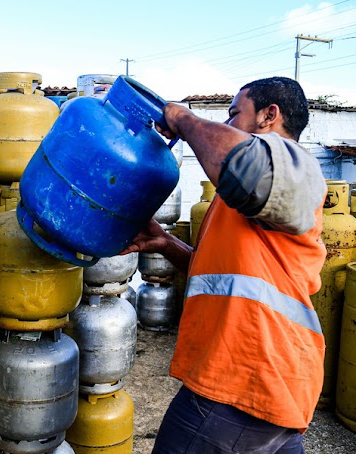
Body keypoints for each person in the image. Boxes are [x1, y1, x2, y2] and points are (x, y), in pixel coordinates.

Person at [123, 76, 327, 453]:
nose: (228, 125)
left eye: (234, 115)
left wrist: (183, 120)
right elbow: (226, 278)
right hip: (277, 383)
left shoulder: (291, 165)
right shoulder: (253, 201)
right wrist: (164, 243)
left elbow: (245, 167)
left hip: (244, 378)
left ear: (269, 115)